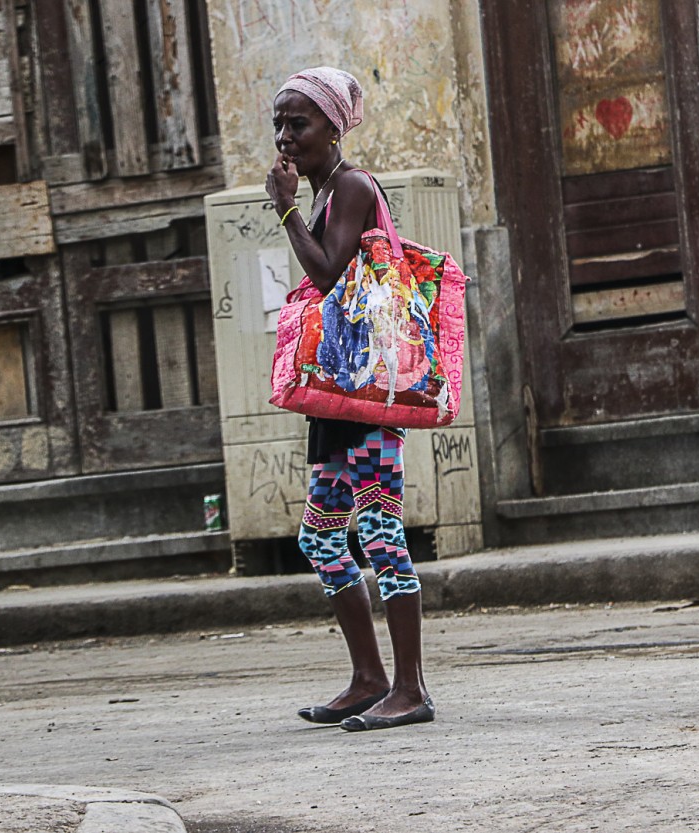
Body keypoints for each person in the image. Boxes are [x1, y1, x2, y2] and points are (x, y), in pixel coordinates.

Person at [264, 67, 433, 731]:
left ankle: (411, 687)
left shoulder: (353, 185)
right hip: (338, 396)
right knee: (320, 537)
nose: (285, 136)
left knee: (383, 531)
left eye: (298, 123)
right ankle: (369, 676)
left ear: (334, 127)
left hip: (370, 391)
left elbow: (329, 272)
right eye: (279, 123)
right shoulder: (327, 192)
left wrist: (284, 210)